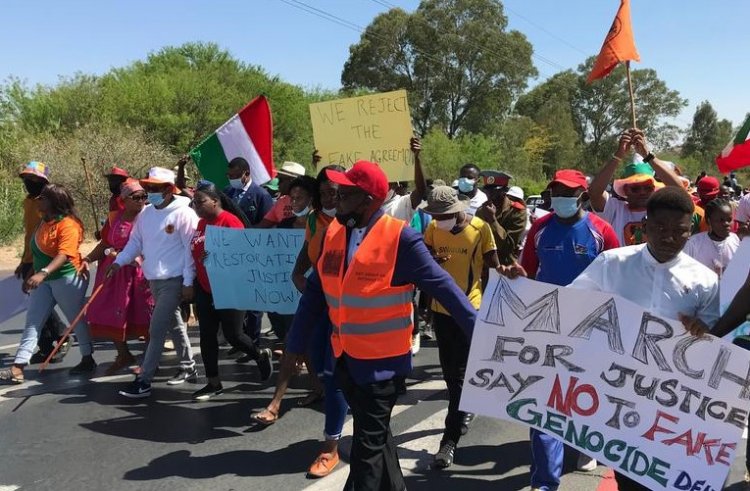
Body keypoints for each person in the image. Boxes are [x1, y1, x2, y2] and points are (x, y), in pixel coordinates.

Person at [289, 160, 479, 490]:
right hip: (344, 360)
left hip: (382, 370)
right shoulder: (335, 232)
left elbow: (445, 289)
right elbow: (316, 292)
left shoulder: (401, 238)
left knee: (366, 453)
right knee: (376, 437)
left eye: (345, 193)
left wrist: (483, 337)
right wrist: (293, 345)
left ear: (368, 200)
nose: (336, 198)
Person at [568, 187, 719, 491]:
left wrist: (703, 330)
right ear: (645, 226)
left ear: (690, 231)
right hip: (620, 397)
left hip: (675, 404)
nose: (669, 237)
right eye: (661, 228)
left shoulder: (705, 280)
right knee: (631, 479)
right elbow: (567, 305)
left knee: (669, 478)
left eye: (679, 231)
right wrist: (519, 283)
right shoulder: (611, 264)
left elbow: (715, 340)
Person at [502, 169, 620, 491]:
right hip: (547, 328)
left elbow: (617, 281)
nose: (561, 198)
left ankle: (584, 444)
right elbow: (526, 271)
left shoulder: (603, 231)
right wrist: (515, 275)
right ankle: (544, 481)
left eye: (568, 193)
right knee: (544, 402)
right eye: (556, 191)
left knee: (584, 396)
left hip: (592, 329)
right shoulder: (539, 228)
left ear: (582, 195)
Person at [258, 166, 349, 479]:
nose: (329, 197)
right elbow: (309, 252)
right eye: (324, 192)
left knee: (337, 373)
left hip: (347, 309)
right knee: (299, 346)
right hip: (317, 296)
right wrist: (298, 273)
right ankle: (280, 404)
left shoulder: (356, 223)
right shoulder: (313, 220)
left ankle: (333, 444)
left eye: (335, 193)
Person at [422, 186, 499, 468]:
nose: (439, 219)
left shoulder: (480, 229)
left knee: (460, 379)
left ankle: (448, 441)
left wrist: (492, 309)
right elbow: (424, 261)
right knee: (451, 376)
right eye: (435, 215)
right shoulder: (432, 228)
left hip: (470, 309)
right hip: (441, 311)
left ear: (459, 210)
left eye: (444, 215)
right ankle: (463, 409)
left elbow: (493, 266)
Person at [110, 167, 198, 399]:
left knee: (156, 330)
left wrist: (188, 281)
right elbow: (135, 242)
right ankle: (189, 366)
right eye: (148, 187)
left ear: (170, 190)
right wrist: (119, 262)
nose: (150, 191)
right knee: (174, 324)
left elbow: (191, 251)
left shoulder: (184, 214)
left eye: (156, 188)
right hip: (154, 279)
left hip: (175, 279)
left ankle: (144, 380)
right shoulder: (146, 214)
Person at [1, 184, 95, 384]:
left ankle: (88, 357)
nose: (38, 201)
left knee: (75, 320)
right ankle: (18, 366)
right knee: (33, 321)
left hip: (67, 279)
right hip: (45, 280)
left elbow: (64, 254)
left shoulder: (69, 225)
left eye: (42, 198)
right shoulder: (43, 222)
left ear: (54, 201)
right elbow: (38, 254)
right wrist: (33, 274)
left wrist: (42, 273)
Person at [189, 181, 273, 400]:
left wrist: (215, 258)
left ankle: (259, 354)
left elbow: (242, 256)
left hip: (230, 288)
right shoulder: (201, 225)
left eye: (201, 201)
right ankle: (213, 383)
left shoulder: (230, 221)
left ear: (215, 201)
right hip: (205, 289)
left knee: (233, 335)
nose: (196, 206)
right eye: (194, 202)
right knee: (207, 338)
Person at [83, 179, 154, 375]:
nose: (141, 201)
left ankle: (150, 359)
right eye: (136, 197)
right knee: (112, 313)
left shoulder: (150, 217)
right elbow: (104, 244)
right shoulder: (115, 218)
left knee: (145, 314)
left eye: (144, 197)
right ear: (124, 200)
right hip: (114, 272)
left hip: (140, 273)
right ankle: (124, 355)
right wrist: (87, 259)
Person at [14, 161, 69, 364]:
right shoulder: (28, 202)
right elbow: (30, 234)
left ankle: (60, 336)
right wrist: (23, 260)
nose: (29, 183)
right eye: (27, 179)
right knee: (35, 303)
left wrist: (40, 265)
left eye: (34, 179)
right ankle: (46, 346)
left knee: (39, 303)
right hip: (31, 257)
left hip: (44, 259)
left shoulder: (48, 204)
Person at [589, 129, 682, 245]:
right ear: (625, 189)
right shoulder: (615, 210)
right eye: (635, 189)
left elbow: (680, 191)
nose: (642, 192)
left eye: (648, 188)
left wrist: (647, 154)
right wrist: (618, 155)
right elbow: (594, 193)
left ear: (654, 188)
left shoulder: (662, 210)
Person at [475, 171, 528, 265]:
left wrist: (492, 220)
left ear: (504, 191)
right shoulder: (481, 211)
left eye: (494, 191)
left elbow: (508, 245)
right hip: (482, 266)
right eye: (487, 191)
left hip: (505, 268)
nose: (490, 195)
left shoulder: (516, 212)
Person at [683, 198, 740, 277]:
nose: (726, 224)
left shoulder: (735, 240)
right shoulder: (694, 244)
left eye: (729, 220)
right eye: (721, 220)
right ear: (708, 221)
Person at [257, 161, 307, 228]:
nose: (278, 183)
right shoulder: (281, 202)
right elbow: (262, 226)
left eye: (280, 180)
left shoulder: (309, 203)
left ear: (292, 181)